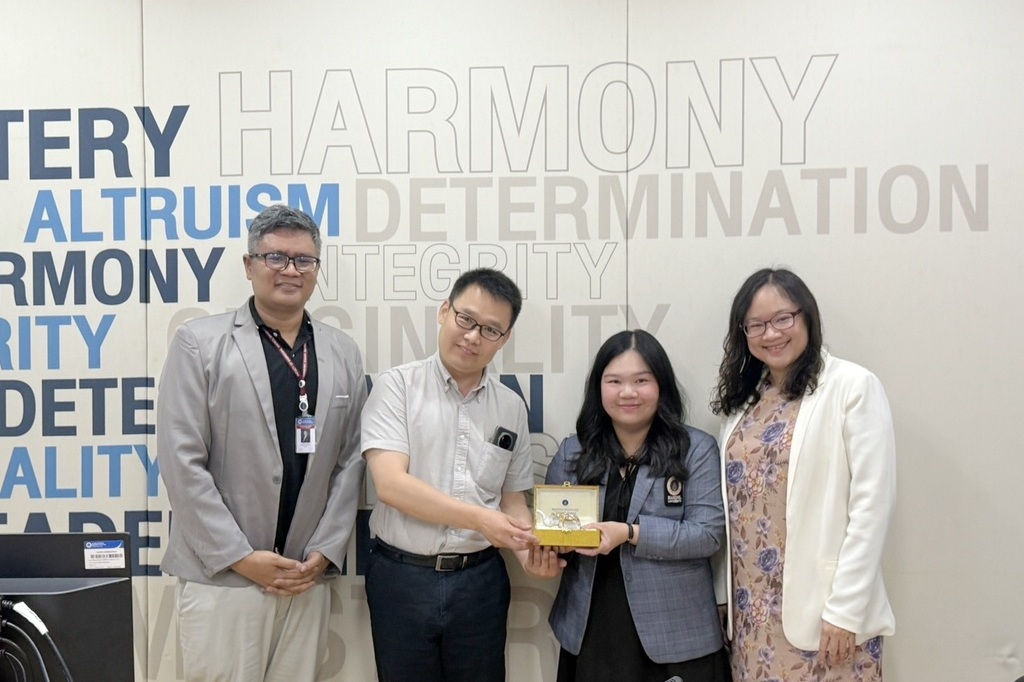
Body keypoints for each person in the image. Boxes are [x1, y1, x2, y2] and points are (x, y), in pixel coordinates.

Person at [157, 204, 367, 682]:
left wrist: (324, 552)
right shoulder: (199, 343)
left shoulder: (342, 351)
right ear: (249, 265)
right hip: (223, 576)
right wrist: (241, 558)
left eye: (304, 260)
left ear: (316, 269)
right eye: (276, 258)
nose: (291, 270)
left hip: (303, 577)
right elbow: (181, 461)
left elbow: (352, 461)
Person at [711, 267, 896, 681]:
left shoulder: (852, 387)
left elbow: (872, 506)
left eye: (783, 318)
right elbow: (733, 511)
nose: (771, 334)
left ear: (806, 316)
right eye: (756, 325)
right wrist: (725, 593)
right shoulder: (744, 405)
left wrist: (846, 609)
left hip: (826, 616)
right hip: (752, 618)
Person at [361, 267, 538, 682]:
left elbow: (512, 501)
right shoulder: (397, 387)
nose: (474, 337)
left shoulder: (511, 406)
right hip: (402, 578)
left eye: (490, 330)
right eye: (466, 319)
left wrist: (531, 553)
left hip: (481, 583)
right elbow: (391, 485)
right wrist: (481, 519)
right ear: (444, 312)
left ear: (504, 339)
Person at [526, 330, 731, 682]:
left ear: (661, 385)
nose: (628, 392)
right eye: (614, 381)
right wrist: (551, 549)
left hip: (676, 635)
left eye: (641, 380)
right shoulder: (574, 452)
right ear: (599, 388)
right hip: (593, 630)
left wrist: (630, 533)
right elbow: (553, 532)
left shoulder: (695, 449)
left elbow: (707, 534)